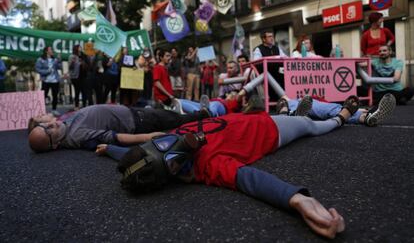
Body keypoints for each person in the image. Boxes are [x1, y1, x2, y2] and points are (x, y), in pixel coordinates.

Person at [97, 98, 359, 239]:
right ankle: (341, 117)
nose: (170, 144)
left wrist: (109, 149)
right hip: (270, 132)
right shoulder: (206, 166)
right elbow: (250, 179)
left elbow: (133, 152)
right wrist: (298, 199)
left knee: (292, 109)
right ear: (175, 172)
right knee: (309, 125)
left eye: (160, 142)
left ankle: (287, 109)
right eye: (171, 159)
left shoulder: (160, 143)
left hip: (247, 119)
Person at [28, 104, 210, 153]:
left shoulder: (64, 128)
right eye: (48, 130)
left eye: (45, 125)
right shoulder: (78, 137)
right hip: (137, 122)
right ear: (54, 145)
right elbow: (114, 138)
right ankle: (204, 115)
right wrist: (147, 137)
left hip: (130, 113)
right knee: (175, 119)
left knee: (170, 117)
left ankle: (200, 115)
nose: (50, 124)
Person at [35, 46, 62, 114]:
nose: (52, 51)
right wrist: (47, 71)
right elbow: (37, 69)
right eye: (51, 49)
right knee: (43, 96)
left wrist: (59, 60)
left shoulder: (55, 59)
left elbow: (59, 67)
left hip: (55, 80)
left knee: (55, 95)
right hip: (46, 80)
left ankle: (54, 109)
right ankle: (41, 110)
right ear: (46, 51)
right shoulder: (40, 59)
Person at [68, 45, 84, 110]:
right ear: (76, 49)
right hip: (75, 76)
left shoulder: (82, 56)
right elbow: (70, 67)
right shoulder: (72, 56)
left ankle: (83, 104)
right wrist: (73, 62)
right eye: (80, 47)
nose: (81, 48)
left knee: (83, 91)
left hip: (82, 76)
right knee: (77, 91)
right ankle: (76, 106)